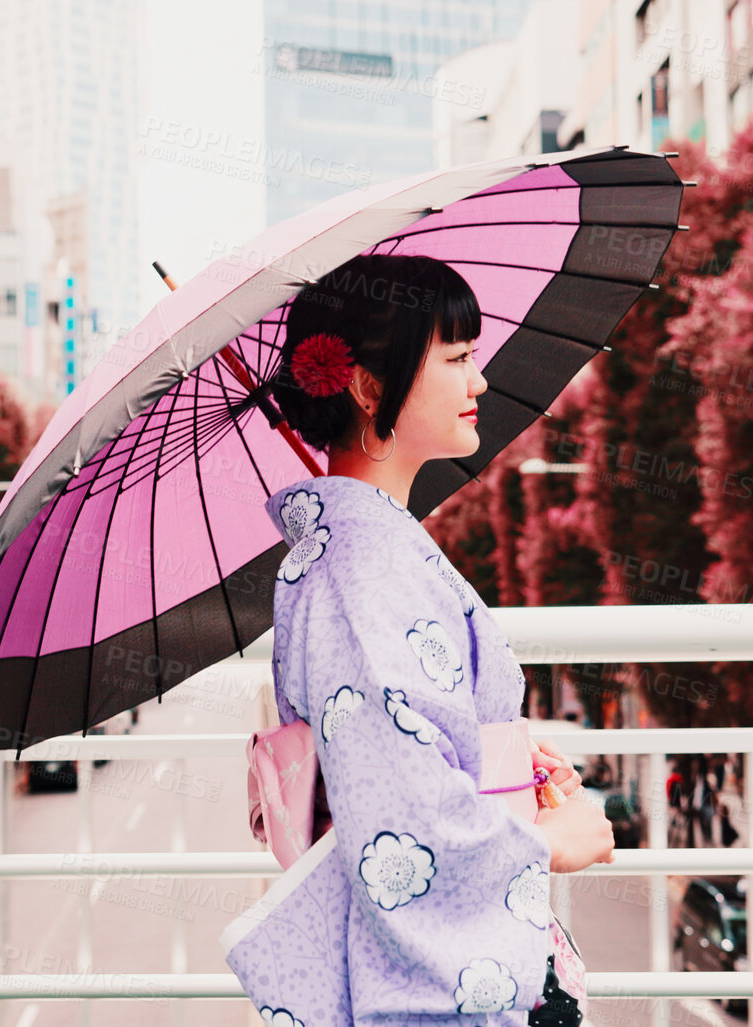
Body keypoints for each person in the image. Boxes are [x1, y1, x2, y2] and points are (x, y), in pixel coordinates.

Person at [219, 255, 615, 1026]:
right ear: (369, 388)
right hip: (439, 989)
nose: (480, 383)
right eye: (458, 358)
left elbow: (404, 752)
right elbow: (398, 810)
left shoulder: (362, 553)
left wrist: (501, 767)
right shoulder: (361, 570)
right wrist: (545, 842)